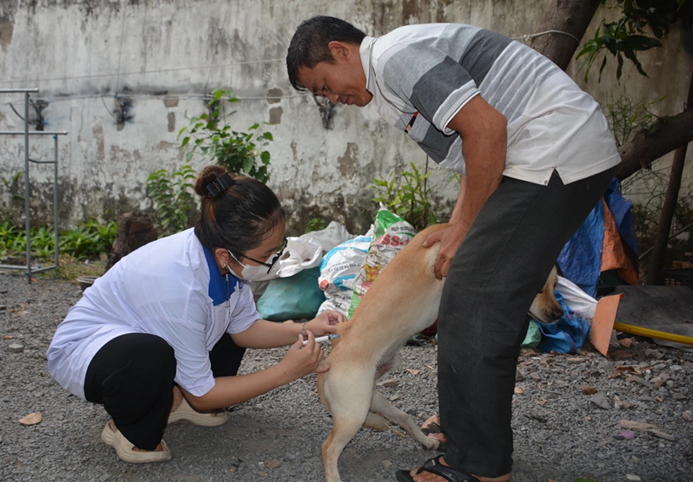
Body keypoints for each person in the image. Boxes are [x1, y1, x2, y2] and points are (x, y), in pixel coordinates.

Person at [287, 16, 619, 482]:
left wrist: (464, 225)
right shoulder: (388, 81)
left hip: (551, 151)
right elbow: (474, 152)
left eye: (324, 85)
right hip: (541, 155)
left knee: (476, 300)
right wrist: (462, 220)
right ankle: (468, 437)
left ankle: (476, 466)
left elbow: (486, 129)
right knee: (469, 291)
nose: (332, 99)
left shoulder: (393, 58)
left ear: (341, 50)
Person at [47, 165, 345, 464]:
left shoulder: (223, 258)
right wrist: (287, 371)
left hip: (144, 330)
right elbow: (206, 391)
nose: (274, 261)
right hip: (86, 351)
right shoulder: (182, 288)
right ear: (224, 255)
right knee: (150, 355)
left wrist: (309, 327)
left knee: (220, 326)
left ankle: (178, 399)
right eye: (267, 255)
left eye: (277, 248)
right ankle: (128, 429)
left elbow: (245, 329)